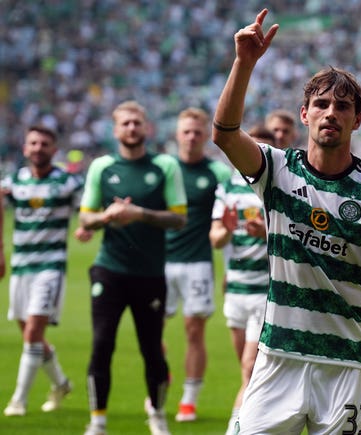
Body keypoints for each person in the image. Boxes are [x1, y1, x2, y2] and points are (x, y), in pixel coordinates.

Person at [211, 9, 361, 434]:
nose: (332, 112)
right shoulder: (277, 168)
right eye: (322, 104)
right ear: (305, 114)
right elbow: (224, 134)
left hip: (345, 362)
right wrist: (244, 63)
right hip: (279, 356)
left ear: (358, 119)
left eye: (343, 106)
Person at [77, 100, 187, 435]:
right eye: (125, 123)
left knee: (152, 349)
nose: (131, 128)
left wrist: (139, 214)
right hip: (109, 270)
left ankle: (157, 414)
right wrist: (106, 217)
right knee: (101, 344)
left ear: (147, 128)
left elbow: (179, 217)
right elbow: (86, 217)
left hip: (150, 273)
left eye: (137, 123)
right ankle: (97, 420)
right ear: (115, 130)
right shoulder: (101, 168)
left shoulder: (165, 165)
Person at [1, 126, 82, 417]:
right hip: (22, 266)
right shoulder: (15, 181)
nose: (38, 148)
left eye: (44, 144)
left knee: (34, 332)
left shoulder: (68, 183)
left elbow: (85, 209)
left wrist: (85, 227)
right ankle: (61, 383)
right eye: (33, 143)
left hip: (50, 266)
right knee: (30, 336)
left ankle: (18, 400)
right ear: (25, 148)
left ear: (54, 150)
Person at [162, 107, 231, 422]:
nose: (191, 137)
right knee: (151, 330)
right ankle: (159, 378)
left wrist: (229, 270)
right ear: (177, 134)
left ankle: (188, 400)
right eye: (186, 131)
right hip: (159, 262)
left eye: (197, 132)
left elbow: (229, 222)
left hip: (197, 263)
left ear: (206, 136)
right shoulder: (164, 168)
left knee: (194, 331)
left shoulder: (218, 174)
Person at [209, 124, 275, 435]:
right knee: (246, 372)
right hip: (235, 290)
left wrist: (266, 231)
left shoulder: (278, 187)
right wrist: (226, 228)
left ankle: (235, 429)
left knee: (251, 368)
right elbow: (216, 239)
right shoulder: (229, 189)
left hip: (266, 291)